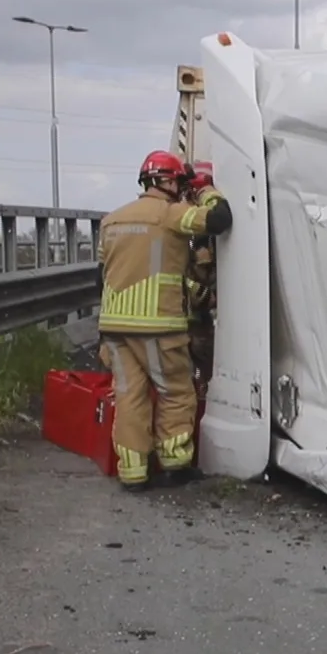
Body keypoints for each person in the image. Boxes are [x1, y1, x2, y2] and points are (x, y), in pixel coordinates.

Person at [97, 150, 235, 492]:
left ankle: (133, 474)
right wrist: (205, 189)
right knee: (176, 392)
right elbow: (220, 219)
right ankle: (175, 465)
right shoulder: (172, 215)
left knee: (130, 397)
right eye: (180, 182)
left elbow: (99, 276)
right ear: (168, 181)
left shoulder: (111, 221)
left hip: (113, 326)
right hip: (157, 325)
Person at [181, 161, 219, 394]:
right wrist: (206, 296)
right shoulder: (183, 223)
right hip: (188, 318)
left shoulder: (201, 231)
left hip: (199, 317)